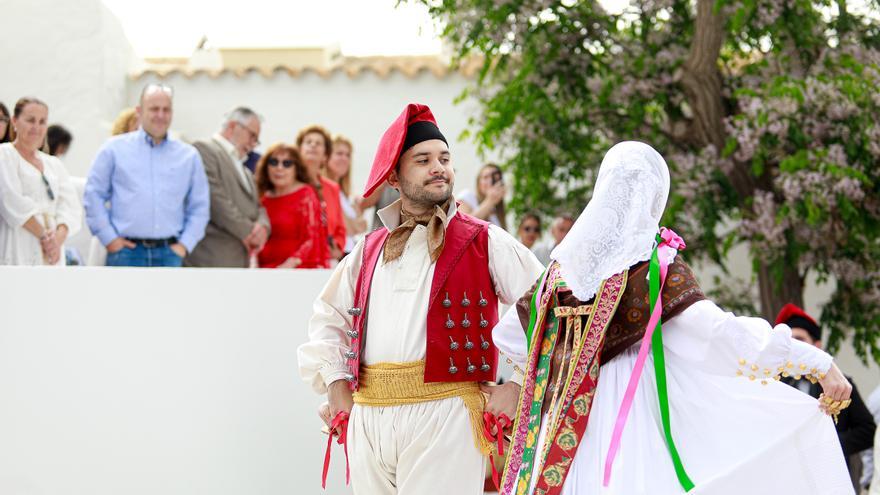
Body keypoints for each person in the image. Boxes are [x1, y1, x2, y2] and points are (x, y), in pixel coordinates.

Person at [490, 141, 854, 495]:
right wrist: (811, 359)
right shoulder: (653, 268)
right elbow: (715, 334)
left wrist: (564, 367)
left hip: (560, 437)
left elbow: (509, 337)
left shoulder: (558, 273)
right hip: (631, 424)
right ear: (653, 198)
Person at [298, 103, 544, 495]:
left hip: (448, 416)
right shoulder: (368, 249)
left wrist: (517, 384)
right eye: (424, 159)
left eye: (444, 159)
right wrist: (335, 383)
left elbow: (544, 305)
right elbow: (329, 318)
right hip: (370, 417)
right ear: (394, 176)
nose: (439, 168)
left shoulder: (484, 240)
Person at [83, 84, 209, 267]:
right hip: (125, 254)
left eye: (166, 110)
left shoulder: (189, 156)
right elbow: (93, 195)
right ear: (139, 111)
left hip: (170, 255)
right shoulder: (113, 150)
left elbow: (200, 206)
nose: (160, 115)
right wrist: (110, 239)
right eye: (154, 109)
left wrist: (184, 244)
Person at [776, 303, 877, 489]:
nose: (795, 349)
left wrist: (827, 444)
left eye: (800, 340)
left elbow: (867, 430)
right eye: (790, 343)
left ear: (817, 346)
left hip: (830, 478)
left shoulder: (841, 384)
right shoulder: (775, 386)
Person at [184, 107, 269, 268]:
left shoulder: (245, 169)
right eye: (252, 135)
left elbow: (258, 206)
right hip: (211, 258)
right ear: (232, 126)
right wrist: (250, 232)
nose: (253, 144)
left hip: (237, 259)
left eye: (256, 139)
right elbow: (215, 199)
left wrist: (263, 227)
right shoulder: (204, 149)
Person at [0, 97, 81, 265]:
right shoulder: (5, 155)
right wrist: (43, 236)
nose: (36, 127)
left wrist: (57, 239)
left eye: (42, 121)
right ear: (15, 121)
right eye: (30, 120)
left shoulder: (54, 164)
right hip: (20, 240)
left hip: (53, 249)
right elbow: (11, 200)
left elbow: (70, 206)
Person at [255, 143, 327, 269]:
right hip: (264, 271)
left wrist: (288, 265)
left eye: (287, 163)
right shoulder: (263, 199)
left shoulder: (306, 194)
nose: (279, 168)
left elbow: (311, 238)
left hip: (295, 273)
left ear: (296, 168)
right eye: (273, 162)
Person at [296, 125, 346, 264]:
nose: (313, 145)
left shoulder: (332, 188)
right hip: (297, 260)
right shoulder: (290, 186)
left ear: (325, 156)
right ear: (299, 151)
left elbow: (340, 229)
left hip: (326, 260)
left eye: (318, 143)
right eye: (308, 142)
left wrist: (337, 247)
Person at [324, 135, 367, 253]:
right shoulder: (324, 189)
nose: (344, 158)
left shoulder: (344, 193)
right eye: (339, 153)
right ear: (326, 157)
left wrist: (353, 224)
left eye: (347, 155)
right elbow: (347, 228)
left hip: (350, 252)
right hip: (338, 254)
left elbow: (363, 226)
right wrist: (354, 223)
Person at [458, 163, 507, 229]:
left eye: (495, 178)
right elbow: (464, 226)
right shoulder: (467, 196)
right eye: (486, 177)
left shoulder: (496, 210)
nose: (490, 181)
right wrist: (490, 201)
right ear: (478, 182)